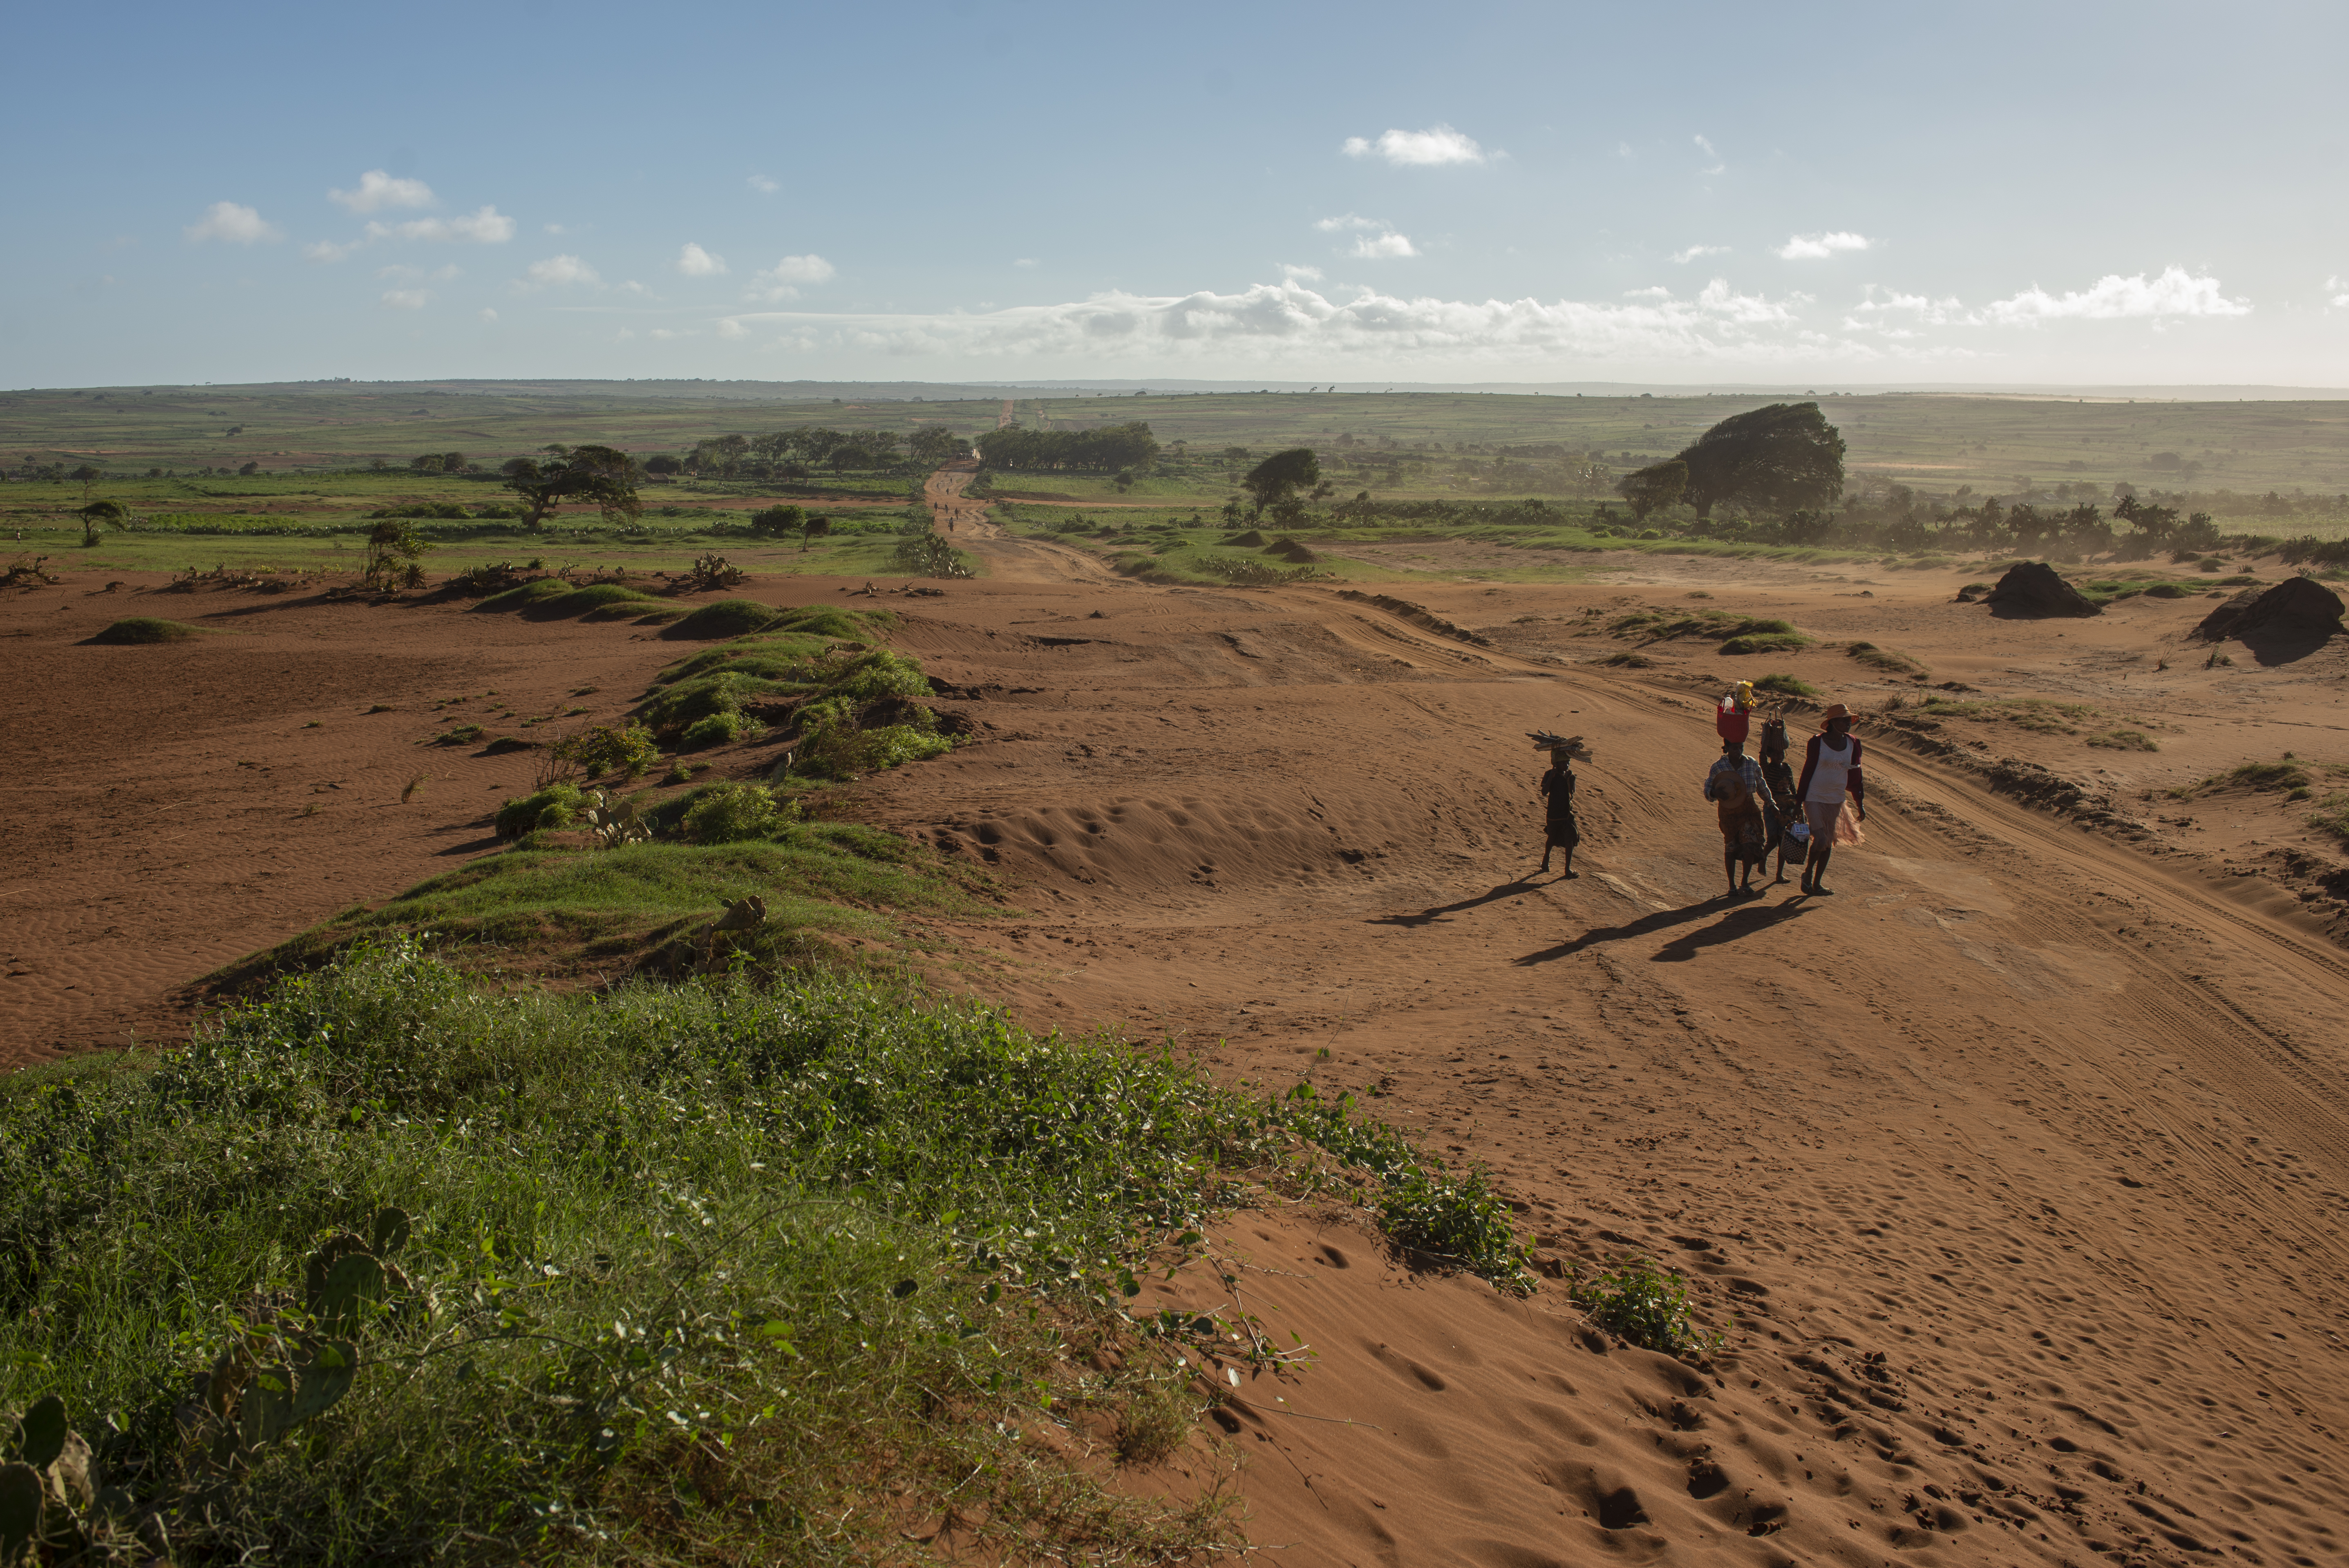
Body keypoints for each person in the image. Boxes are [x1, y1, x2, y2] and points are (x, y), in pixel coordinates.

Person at [1793, 705, 1866, 895]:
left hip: (1836, 799)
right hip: (1814, 797)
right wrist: (1799, 800)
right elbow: (1808, 770)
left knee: (1828, 842)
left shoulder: (1853, 743)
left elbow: (1857, 775)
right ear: (1832, 723)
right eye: (1844, 720)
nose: (1848, 723)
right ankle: (1808, 874)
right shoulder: (1817, 742)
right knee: (1821, 839)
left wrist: (1860, 804)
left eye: (1849, 720)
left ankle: (1817, 884)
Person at [1703, 738, 1770, 896]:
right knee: (1731, 847)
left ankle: (1745, 883)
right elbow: (1708, 788)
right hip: (1728, 811)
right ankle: (1732, 885)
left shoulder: (1751, 763)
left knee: (1750, 844)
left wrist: (1771, 803)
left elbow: (1761, 785)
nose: (1738, 751)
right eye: (1735, 748)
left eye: (1741, 747)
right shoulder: (1718, 767)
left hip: (1749, 809)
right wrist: (1715, 793)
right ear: (1726, 748)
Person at [1757, 718, 1799, 885]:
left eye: (1780, 754)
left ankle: (1779, 875)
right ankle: (1763, 858)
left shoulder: (1787, 768)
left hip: (1787, 808)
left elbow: (1793, 787)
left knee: (1783, 842)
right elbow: (1761, 754)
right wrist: (1767, 733)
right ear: (1770, 755)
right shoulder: (1767, 768)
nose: (1779, 756)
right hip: (1772, 806)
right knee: (1773, 840)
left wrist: (1798, 804)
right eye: (1775, 754)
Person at [1537, 748, 1579, 877]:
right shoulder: (1550, 774)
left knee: (1570, 839)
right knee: (1552, 838)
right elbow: (1544, 792)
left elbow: (1572, 793)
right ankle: (1546, 860)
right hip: (1554, 814)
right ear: (1556, 764)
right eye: (1563, 763)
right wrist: (1552, 777)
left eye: (1568, 762)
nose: (1566, 765)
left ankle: (1567, 869)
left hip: (1567, 814)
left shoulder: (1571, 776)